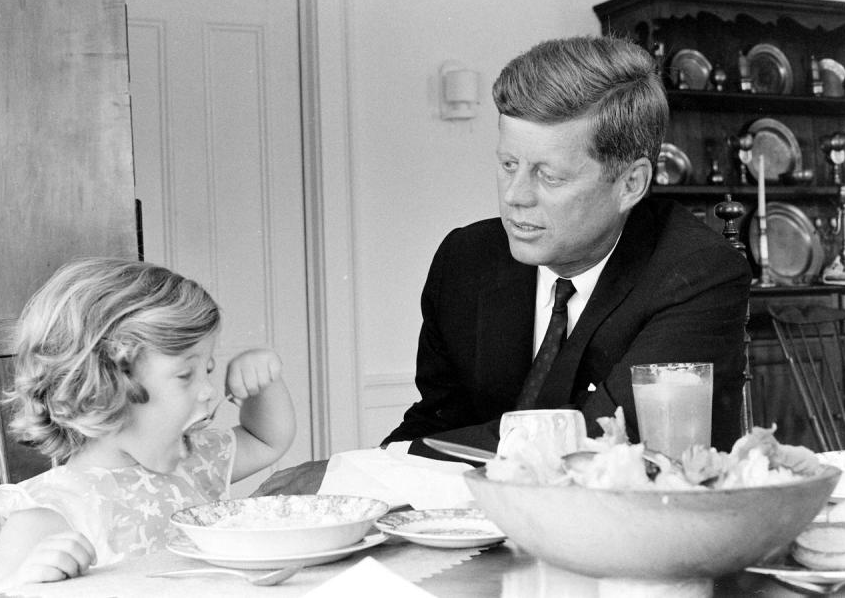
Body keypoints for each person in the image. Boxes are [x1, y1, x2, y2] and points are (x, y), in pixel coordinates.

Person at [253, 34, 750, 496]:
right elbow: (440, 422)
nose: (515, 198)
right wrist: (353, 482)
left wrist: (360, 474)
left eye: (548, 176)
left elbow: (599, 448)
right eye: (508, 165)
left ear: (631, 184)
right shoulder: (465, 260)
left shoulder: (697, 271)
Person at [0, 258, 295, 595]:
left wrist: (262, 382)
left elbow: (266, 439)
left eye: (208, 370)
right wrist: (25, 581)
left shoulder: (192, 463)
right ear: (103, 387)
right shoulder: (49, 513)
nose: (208, 390)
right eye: (186, 375)